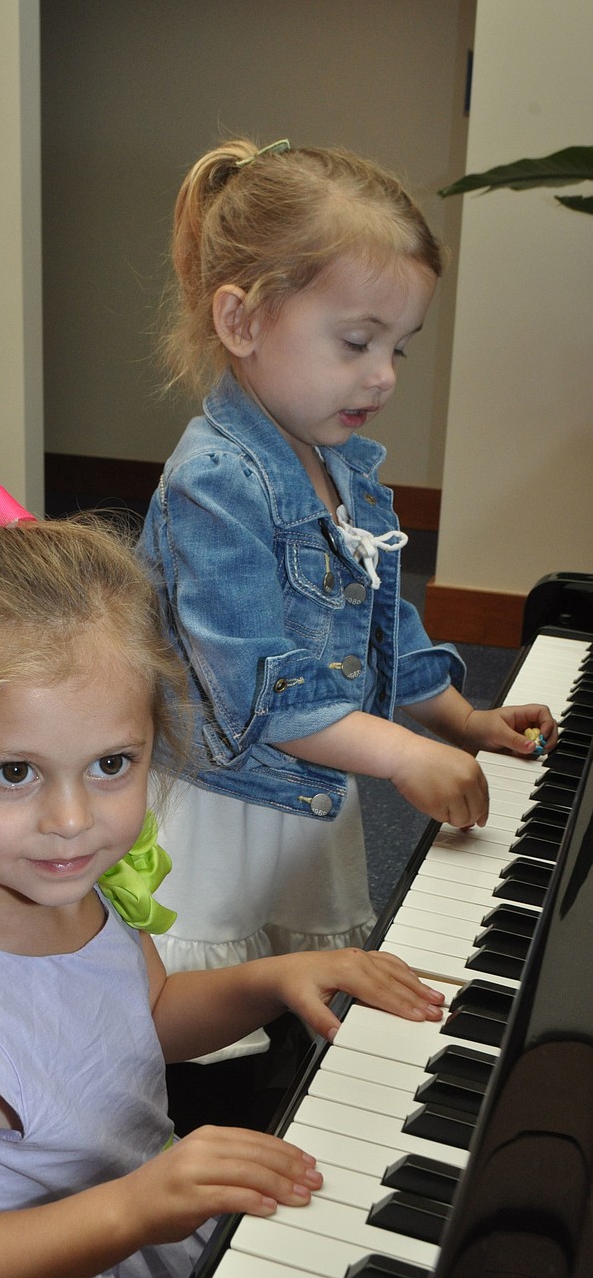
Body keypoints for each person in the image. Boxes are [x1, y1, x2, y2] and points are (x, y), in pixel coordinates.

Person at [0, 485, 446, 1278]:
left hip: (126, 1205)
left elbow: (145, 1015)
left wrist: (274, 979)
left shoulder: (63, 877)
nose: (72, 817)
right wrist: (134, 1205)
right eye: (15, 771)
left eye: (111, 763)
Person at [138, 139, 557, 1056]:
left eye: (398, 347)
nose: (385, 375)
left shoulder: (341, 464)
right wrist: (402, 751)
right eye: (357, 342)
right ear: (242, 321)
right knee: (209, 1029)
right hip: (225, 806)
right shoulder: (215, 483)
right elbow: (260, 693)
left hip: (312, 790)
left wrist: (460, 718)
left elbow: (376, 622)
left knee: (299, 1007)